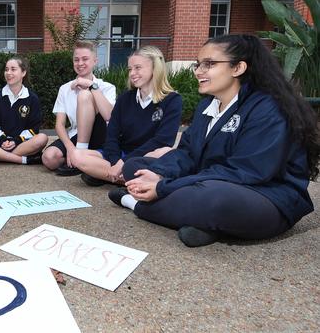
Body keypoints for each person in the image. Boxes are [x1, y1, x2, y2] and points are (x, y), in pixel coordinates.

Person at [109, 34, 320, 247]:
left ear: (238, 68)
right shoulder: (207, 105)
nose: (198, 71)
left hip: (263, 194)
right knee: (135, 167)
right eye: (198, 64)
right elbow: (187, 153)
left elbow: (244, 172)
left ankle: (134, 203)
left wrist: (164, 186)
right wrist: (159, 173)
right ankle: (206, 225)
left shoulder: (268, 109)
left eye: (209, 64)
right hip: (207, 179)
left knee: (214, 200)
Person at [72, 46, 182, 186]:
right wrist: (115, 162)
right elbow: (111, 135)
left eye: (138, 68)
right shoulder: (125, 99)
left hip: (145, 157)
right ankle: (133, 180)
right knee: (77, 155)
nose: (132, 73)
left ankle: (108, 175)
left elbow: (163, 140)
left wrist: (124, 163)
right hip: (121, 155)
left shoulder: (172, 100)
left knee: (165, 151)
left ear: (155, 68)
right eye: (130, 69)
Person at [41, 40, 116, 176]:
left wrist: (92, 86)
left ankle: (81, 155)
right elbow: (59, 124)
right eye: (76, 60)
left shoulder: (107, 87)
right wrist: (70, 149)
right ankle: (81, 160)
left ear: (95, 61)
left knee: (84, 96)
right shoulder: (65, 89)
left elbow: (109, 116)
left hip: (100, 135)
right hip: (76, 135)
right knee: (49, 158)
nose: (80, 63)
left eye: (85, 59)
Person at [0, 56, 48, 165]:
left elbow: (33, 129)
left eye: (13, 69)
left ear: (23, 72)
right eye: (6, 69)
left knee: (42, 138)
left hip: (22, 143)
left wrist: (16, 141)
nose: (8, 73)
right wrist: (3, 141)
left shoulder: (32, 98)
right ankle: (23, 159)